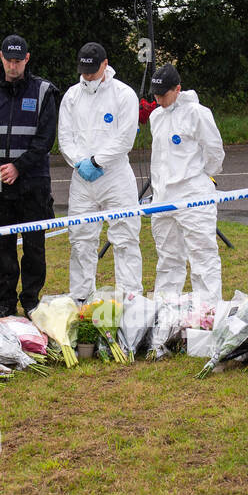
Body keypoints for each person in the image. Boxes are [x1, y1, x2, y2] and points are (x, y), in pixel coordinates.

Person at [0, 34, 59, 317]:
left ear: (27, 59)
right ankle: (4, 303)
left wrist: (19, 166)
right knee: (3, 247)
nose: (13, 66)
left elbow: (45, 139)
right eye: (8, 60)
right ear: (1, 57)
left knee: (34, 247)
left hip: (33, 182)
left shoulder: (44, 91)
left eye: (18, 61)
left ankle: (32, 301)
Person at [58, 41, 143, 301]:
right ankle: (82, 298)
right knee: (81, 240)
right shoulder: (72, 95)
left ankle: (130, 300)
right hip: (82, 179)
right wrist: (79, 163)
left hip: (115, 176)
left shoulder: (123, 94)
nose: (88, 75)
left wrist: (97, 162)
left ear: (105, 65)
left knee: (125, 237)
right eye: (84, 70)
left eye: (93, 70)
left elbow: (125, 138)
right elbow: (65, 136)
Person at [147, 64, 225, 303]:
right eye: (155, 94)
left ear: (178, 89)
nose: (159, 99)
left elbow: (214, 151)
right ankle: (166, 310)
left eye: (164, 94)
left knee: (203, 255)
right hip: (162, 199)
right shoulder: (155, 116)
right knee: (168, 258)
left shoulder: (197, 113)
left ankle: (208, 313)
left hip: (193, 195)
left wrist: (204, 177)